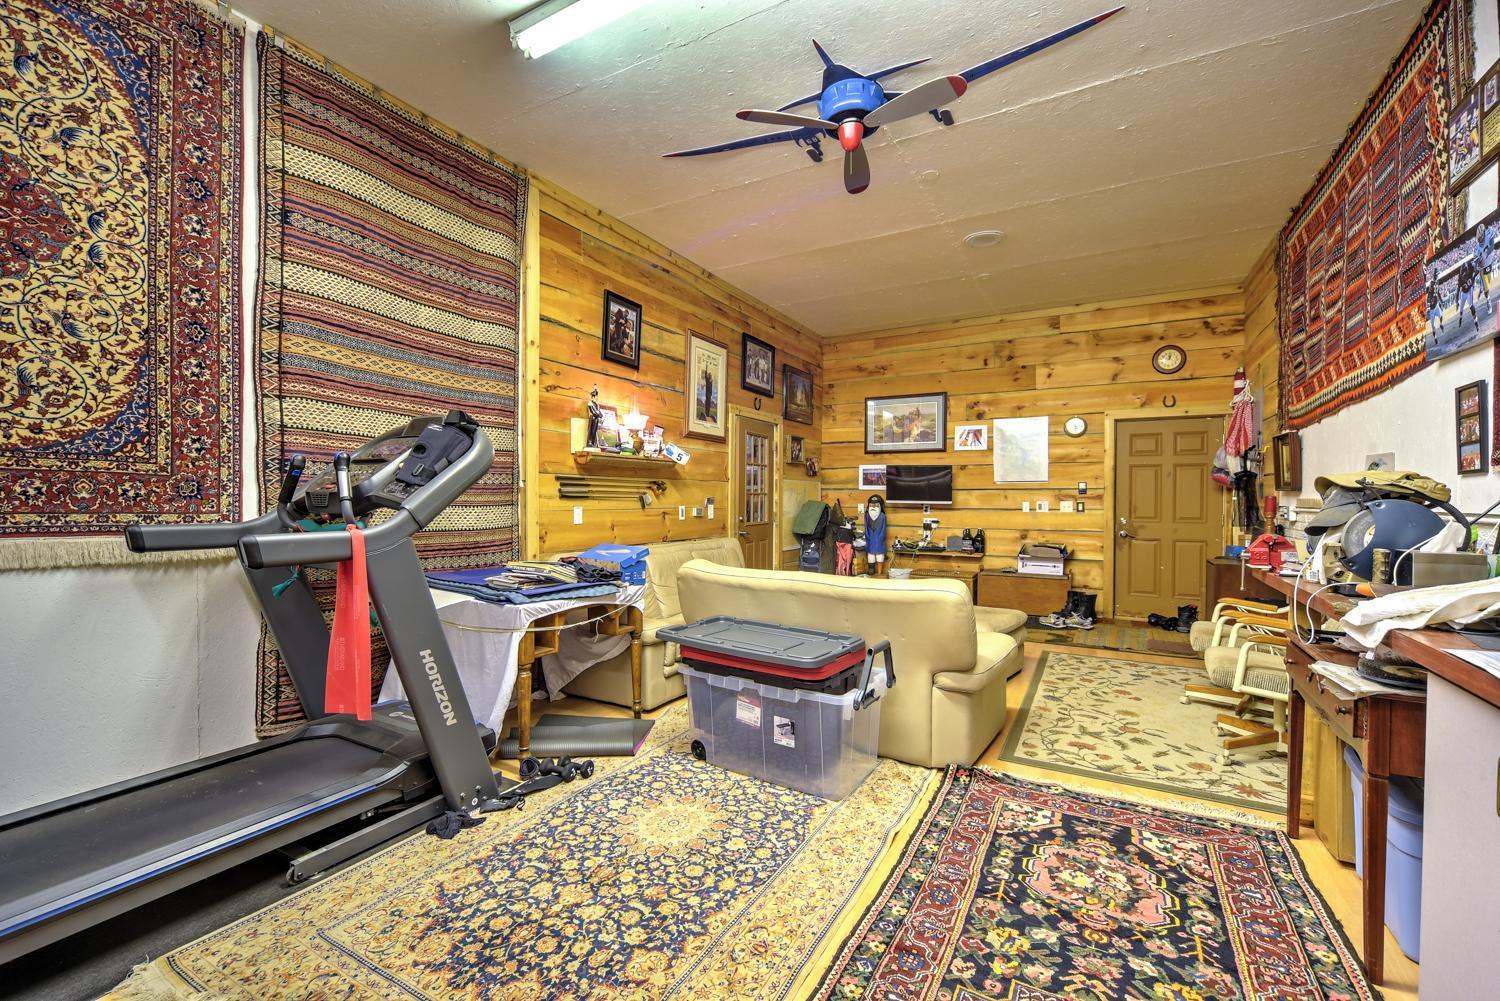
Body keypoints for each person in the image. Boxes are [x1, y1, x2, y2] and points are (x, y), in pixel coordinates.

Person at [863, 495, 887, 577]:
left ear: (880, 506)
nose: (873, 507)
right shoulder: (867, 516)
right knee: (870, 555)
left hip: (879, 541)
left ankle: (880, 572)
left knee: (879, 555)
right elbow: (866, 527)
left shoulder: (882, 516)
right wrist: (867, 536)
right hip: (870, 540)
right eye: (871, 505)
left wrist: (881, 538)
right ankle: (871, 569)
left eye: (876, 505)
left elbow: (883, 528)